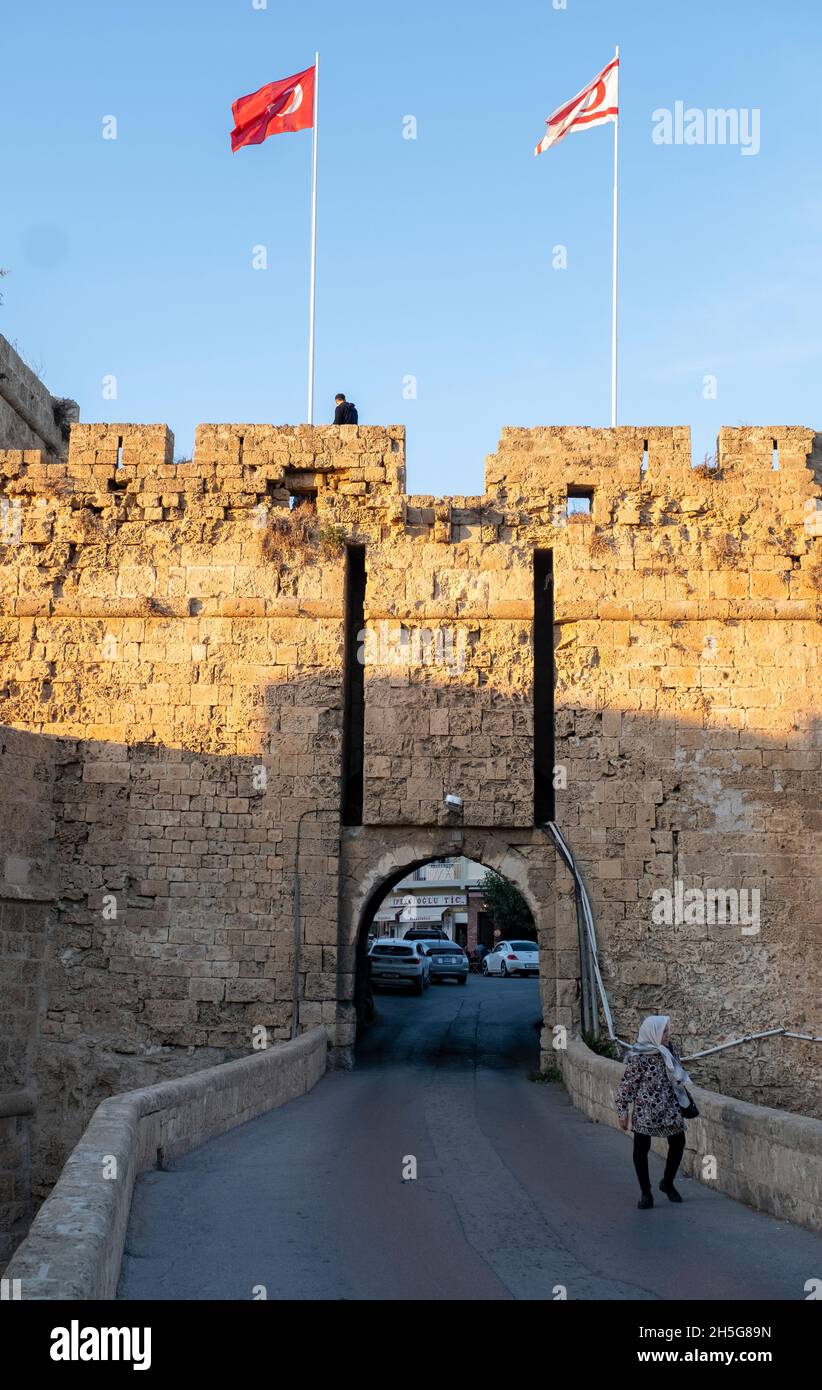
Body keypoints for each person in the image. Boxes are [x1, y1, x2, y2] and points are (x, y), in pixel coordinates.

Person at [616, 1014, 692, 1210]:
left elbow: (678, 1072)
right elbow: (627, 1086)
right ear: (653, 1032)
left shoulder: (669, 1049)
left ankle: (667, 1182)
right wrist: (622, 1111)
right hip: (646, 1111)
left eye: (667, 1030)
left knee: (678, 1142)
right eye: (664, 1031)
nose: (668, 1034)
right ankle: (646, 1192)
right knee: (641, 1150)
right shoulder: (638, 1056)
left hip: (669, 1107)